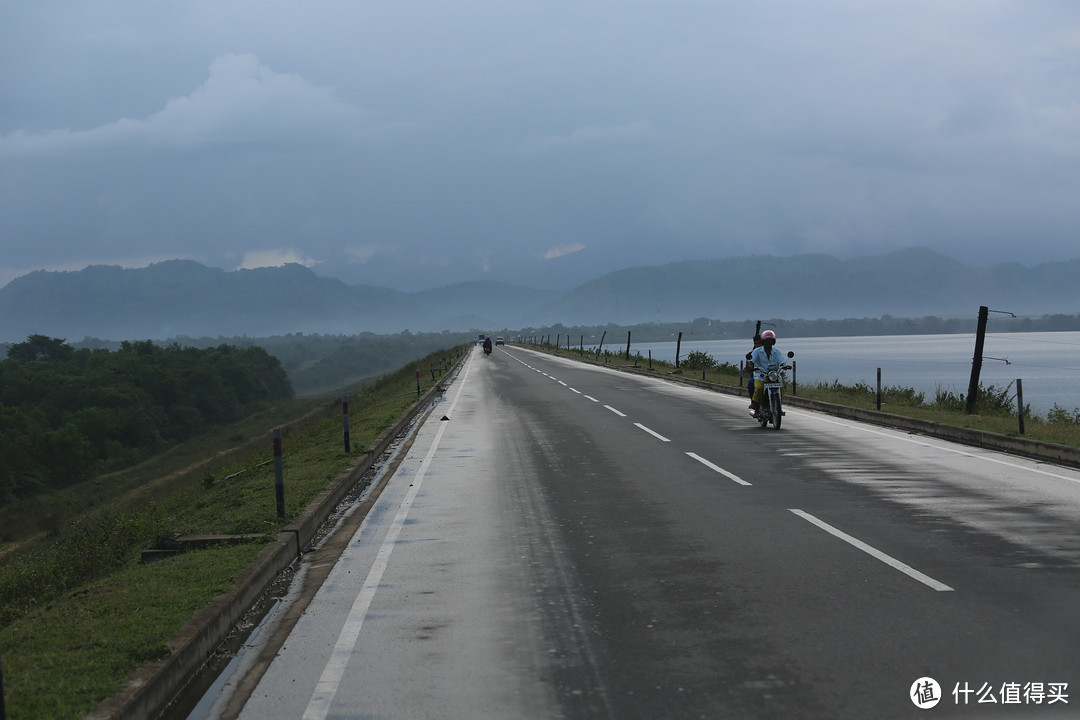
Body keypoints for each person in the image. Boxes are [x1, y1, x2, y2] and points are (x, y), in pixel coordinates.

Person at [749, 330, 785, 416]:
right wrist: (750, 366)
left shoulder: (777, 351)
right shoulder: (757, 351)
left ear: (773, 342)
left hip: (774, 375)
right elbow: (751, 361)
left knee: (782, 388)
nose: (768, 343)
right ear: (763, 342)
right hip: (760, 374)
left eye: (770, 341)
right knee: (759, 387)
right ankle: (757, 409)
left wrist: (784, 366)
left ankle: (778, 405)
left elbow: (781, 361)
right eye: (766, 341)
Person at [745, 334, 762, 407]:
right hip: (757, 376)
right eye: (756, 343)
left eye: (759, 343)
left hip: (769, 375)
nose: (757, 345)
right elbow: (748, 366)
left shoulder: (770, 352)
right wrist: (752, 369)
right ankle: (753, 401)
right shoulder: (751, 354)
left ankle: (777, 403)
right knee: (751, 382)